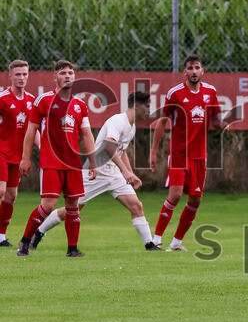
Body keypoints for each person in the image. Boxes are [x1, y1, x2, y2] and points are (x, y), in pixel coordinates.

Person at [33, 92, 159, 251]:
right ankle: (38, 232)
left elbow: (122, 151)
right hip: (95, 173)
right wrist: (125, 172)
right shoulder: (118, 121)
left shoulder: (131, 126)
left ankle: (149, 245)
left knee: (136, 205)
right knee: (73, 210)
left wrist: (129, 172)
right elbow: (109, 146)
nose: (149, 110)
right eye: (147, 106)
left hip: (113, 173)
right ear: (137, 105)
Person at [17, 60, 99, 257]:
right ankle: (25, 241)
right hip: (51, 161)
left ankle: (72, 249)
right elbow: (31, 131)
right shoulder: (43, 100)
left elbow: (87, 135)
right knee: (48, 205)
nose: (68, 76)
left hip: (73, 164)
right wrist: (25, 158)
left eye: (71, 73)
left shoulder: (80, 105)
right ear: (55, 77)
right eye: (63, 73)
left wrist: (93, 162)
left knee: (73, 206)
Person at [148, 54, 225, 251]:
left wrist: (222, 125)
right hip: (179, 154)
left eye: (196, 67)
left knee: (195, 200)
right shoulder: (175, 94)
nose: (193, 71)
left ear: (202, 71)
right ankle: (155, 240)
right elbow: (162, 122)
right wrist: (153, 152)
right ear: (185, 72)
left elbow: (216, 120)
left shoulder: (211, 92)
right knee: (175, 195)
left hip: (199, 156)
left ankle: (176, 243)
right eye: (189, 68)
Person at [0, 60, 36, 247]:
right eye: (18, 75)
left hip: (18, 156)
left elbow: (33, 130)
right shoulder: (2, 98)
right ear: (10, 76)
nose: (21, 78)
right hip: (1, 152)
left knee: (11, 196)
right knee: (1, 190)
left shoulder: (31, 100)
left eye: (24, 74)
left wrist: (44, 149)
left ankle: (1, 237)